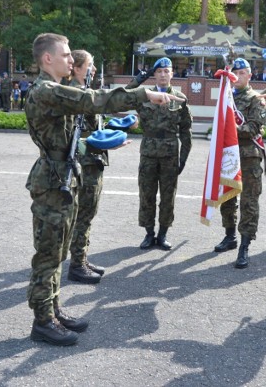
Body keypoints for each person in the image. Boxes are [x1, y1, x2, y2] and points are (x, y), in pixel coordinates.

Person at [24, 32, 182, 346]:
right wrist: (143, 94)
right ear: (47, 59)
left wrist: (94, 140)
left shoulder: (56, 88)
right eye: (67, 55)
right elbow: (91, 101)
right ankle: (42, 321)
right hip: (52, 181)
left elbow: (81, 119)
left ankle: (53, 310)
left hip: (64, 177)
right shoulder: (45, 90)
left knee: (57, 251)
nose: (71, 60)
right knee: (48, 255)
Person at [125, 57, 192, 252]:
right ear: (154, 74)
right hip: (148, 152)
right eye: (159, 71)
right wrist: (139, 79)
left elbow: (186, 131)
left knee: (168, 196)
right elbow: (126, 94)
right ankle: (148, 233)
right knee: (146, 194)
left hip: (170, 153)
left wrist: (184, 158)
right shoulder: (145, 95)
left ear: (172, 74)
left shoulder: (180, 98)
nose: (163, 74)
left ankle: (162, 233)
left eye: (166, 71)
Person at [65, 50, 119, 284]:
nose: (93, 69)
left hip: (93, 161)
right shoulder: (76, 94)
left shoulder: (84, 91)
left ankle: (81, 258)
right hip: (85, 164)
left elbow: (93, 124)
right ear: (76, 68)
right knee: (83, 214)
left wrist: (112, 127)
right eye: (89, 65)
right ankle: (76, 264)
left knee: (88, 214)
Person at [212, 58, 266, 269]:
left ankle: (245, 244)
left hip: (249, 157)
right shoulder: (227, 98)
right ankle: (230, 236)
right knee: (227, 197)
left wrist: (228, 130)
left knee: (249, 202)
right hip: (230, 156)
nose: (238, 76)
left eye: (242, 73)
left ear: (250, 75)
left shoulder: (257, 99)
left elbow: (253, 128)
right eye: (235, 73)